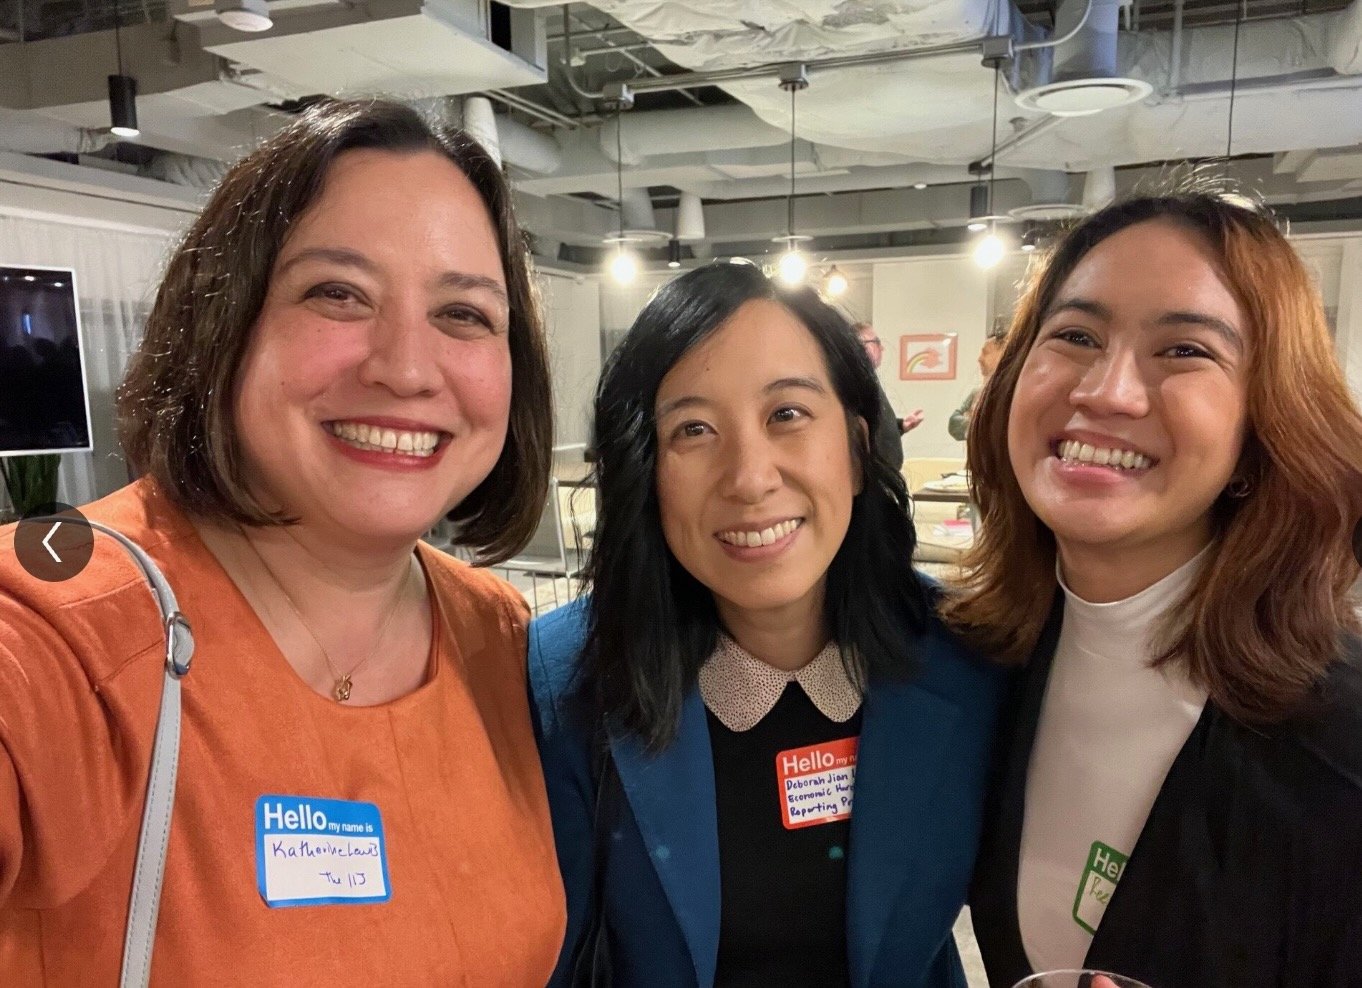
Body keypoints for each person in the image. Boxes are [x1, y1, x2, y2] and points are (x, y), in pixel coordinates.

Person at [0, 99, 566, 983]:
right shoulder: (65, 628)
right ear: (222, 326)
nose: (406, 368)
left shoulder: (500, 639)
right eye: (338, 294)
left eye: (462, 314)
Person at [531, 263, 1007, 987]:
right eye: (694, 429)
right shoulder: (569, 676)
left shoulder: (969, 660)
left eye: (787, 414)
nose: (749, 478)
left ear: (855, 446)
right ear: (646, 470)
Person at [944, 192, 1362, 986]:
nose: (1107, 392)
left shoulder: (1339, 746)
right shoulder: (982, 671)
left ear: (1260, 429)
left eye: (1185, 351)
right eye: (1074, 336)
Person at [852, 321, 923, 471]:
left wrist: (901, 426)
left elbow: (875, 425)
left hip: (884, 477)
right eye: (876, 342)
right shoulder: (854, 382)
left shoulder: (869, 379)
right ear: (859, 345)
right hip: (871, 480)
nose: (882, 348)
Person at [947, 329, 1004, 442]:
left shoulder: (1015, 393)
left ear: (1003, 353)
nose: (979, 359)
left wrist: (973, 419)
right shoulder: (977, 392)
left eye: (985, 352)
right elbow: (953, 424)